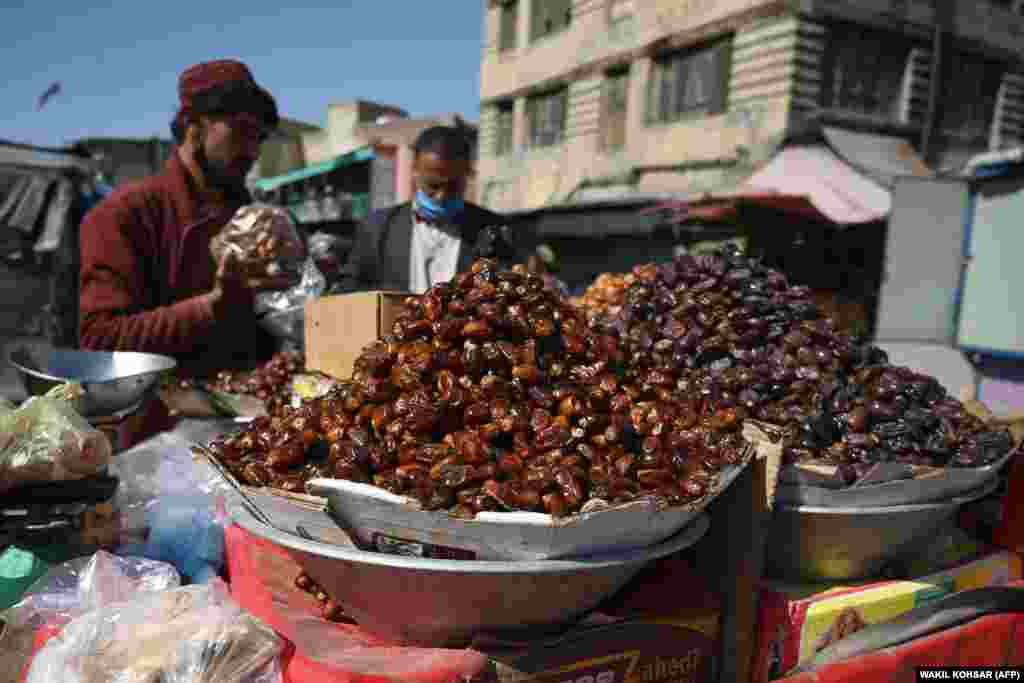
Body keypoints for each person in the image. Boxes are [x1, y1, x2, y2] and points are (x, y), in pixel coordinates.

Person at [77, 59, 289, 375]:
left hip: (243, 413)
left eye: (258, 138)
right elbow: (99, 339)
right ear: (194, 126)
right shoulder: (124, 215)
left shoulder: (249, 221)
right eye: (241, 130)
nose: (252, 150)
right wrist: (209, 308)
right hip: (159, 420)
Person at [340, 126, 520, 294]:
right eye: (433, 185)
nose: (441, 196)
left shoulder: (496, 231)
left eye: (452, 186)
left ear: (468, 174)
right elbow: (349, 293)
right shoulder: (377, 229)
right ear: (414, 171)